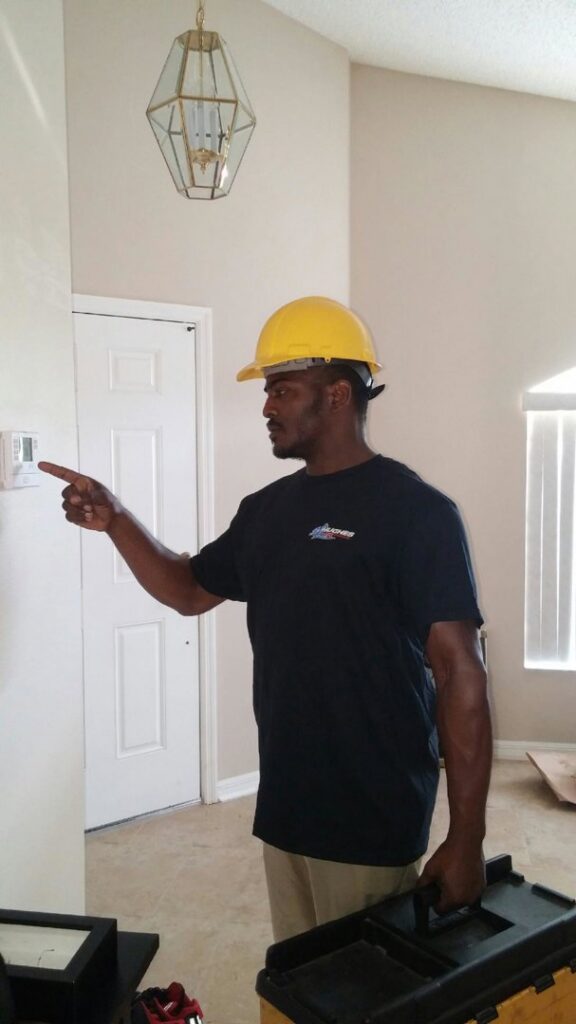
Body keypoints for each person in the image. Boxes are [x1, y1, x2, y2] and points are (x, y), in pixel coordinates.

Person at [40, 296, 492, 942]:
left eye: (282, 389)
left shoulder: (418, 513)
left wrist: (467, 837)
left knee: (366, 997)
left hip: (371, 815)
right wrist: (114, 518)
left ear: (337, 395)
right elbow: (188, 587)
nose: (266, 406)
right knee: (299, 989)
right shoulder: (267, 513)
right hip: (286, 807)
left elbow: (462, 676)